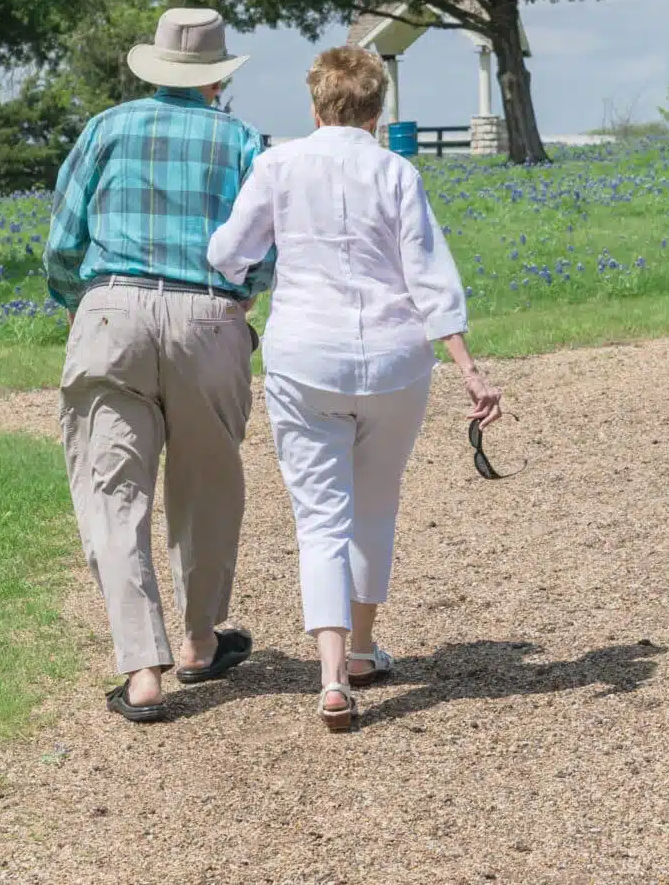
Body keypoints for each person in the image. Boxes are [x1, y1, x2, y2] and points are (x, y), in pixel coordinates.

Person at [208, 46, 502, 731]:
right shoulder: (397, 171)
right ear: (377, 111)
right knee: (375, 505)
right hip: (396, 362)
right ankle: (365, 648)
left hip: (306, 358)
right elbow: (430, 276)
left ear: (315, 107)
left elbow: (229, 254)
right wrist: (467, 367)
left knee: (321, 518)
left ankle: (334, 675)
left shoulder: (276, 166)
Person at [46, 8, 275, 724]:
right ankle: (201, 640)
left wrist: (82, 304)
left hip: (112, 310)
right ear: (215, 75)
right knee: (207, 485)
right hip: (208, 316)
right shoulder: (241, 140)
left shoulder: (105, 128)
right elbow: (261, 252)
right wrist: (238, 301)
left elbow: (61, 241)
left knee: (114, 491)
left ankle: (142, 669)